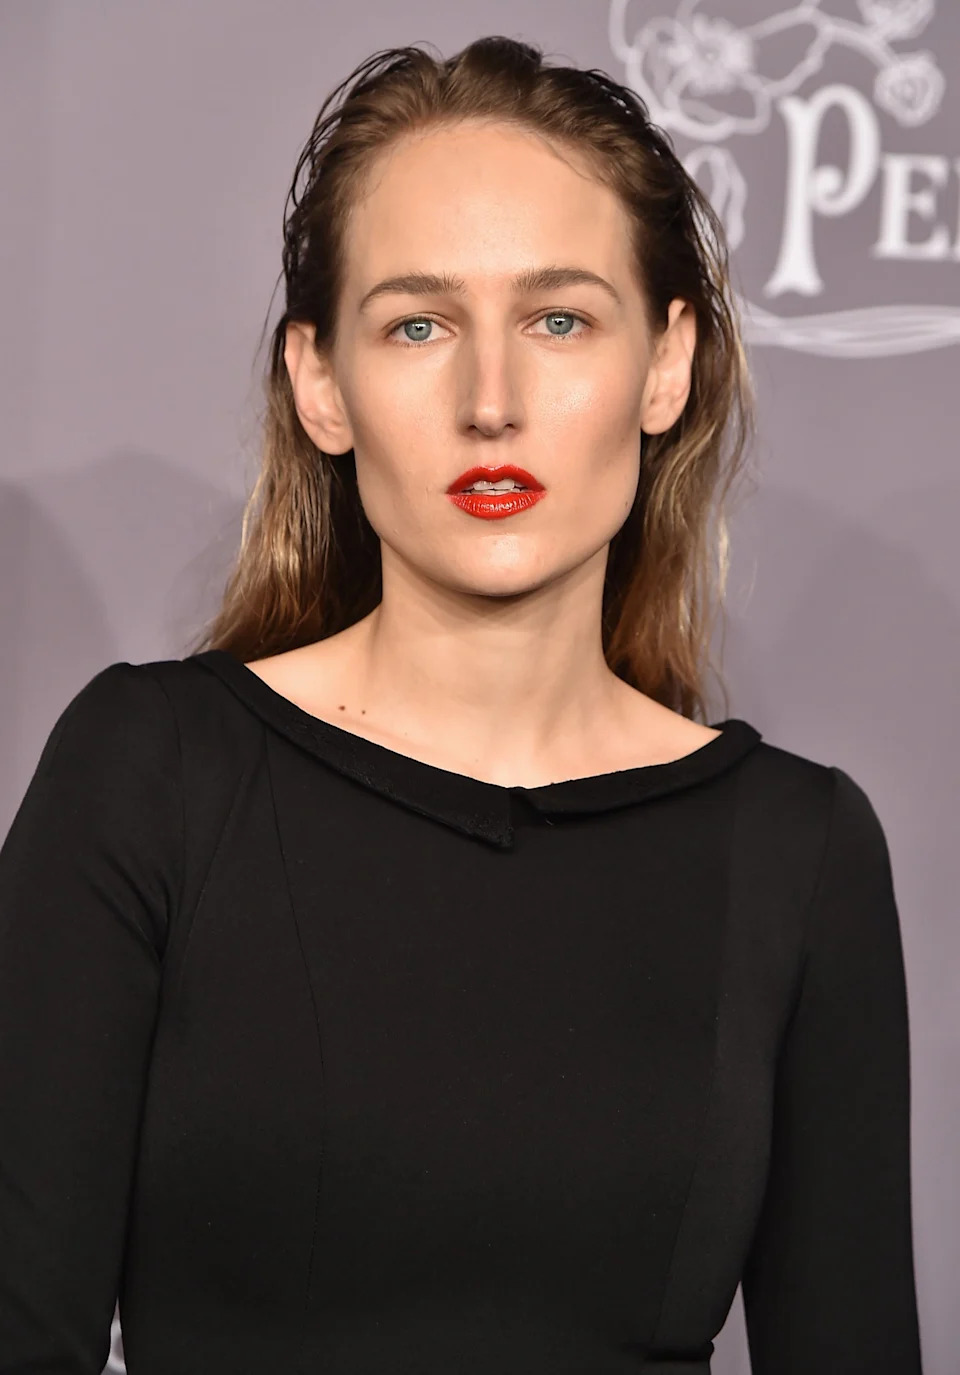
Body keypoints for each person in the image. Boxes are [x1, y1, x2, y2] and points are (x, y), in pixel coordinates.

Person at [0, 35, 922, 1375]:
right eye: (418, 324)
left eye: (560, 319)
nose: (492, 402)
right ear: (322, 383)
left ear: (666, 365)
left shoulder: (803, 855)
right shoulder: (151, 778)